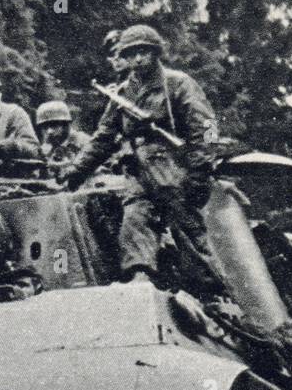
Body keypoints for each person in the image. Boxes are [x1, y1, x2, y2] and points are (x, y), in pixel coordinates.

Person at [62, 25, 220, 284]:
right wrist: (76, 170)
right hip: (138, 167)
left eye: (144, 52)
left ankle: (213, 289)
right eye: (131, 53)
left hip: (174, 166)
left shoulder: (178, 83)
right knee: (134, 219)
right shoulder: (123, 93)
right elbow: (103, 136)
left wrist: (201, 168)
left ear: (156, 52)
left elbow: (207, 127)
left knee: (188, 230)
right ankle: (140, 274)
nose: (137, 59)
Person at [35, 100, 91, 179]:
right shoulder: (46, 149)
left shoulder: (83, 141)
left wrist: (59, 166)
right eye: (45, 127)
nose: (49, 131)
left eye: (54, 126)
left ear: (65, 125)